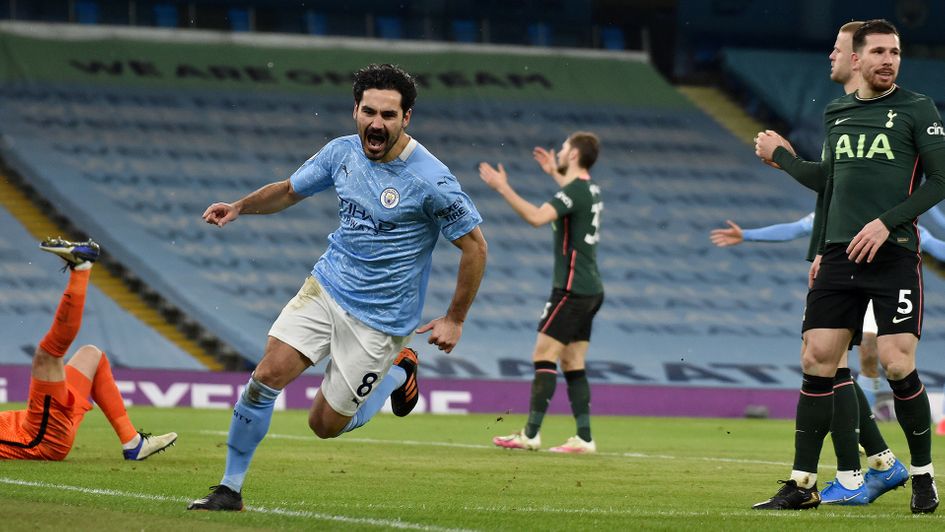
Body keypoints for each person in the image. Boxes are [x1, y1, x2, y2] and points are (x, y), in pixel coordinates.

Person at [188, 64, 487, 511]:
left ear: (407, 119)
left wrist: (455, 318)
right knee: (266, 376)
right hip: (326, 287)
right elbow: (289, 190)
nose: (376, 123)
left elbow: (476, 248)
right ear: (355, 110)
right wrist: (239, 207)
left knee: (323, 424)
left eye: (388, 115)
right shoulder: (341, 153)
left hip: (381, 320)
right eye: (369, 112)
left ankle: (399, 372)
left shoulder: (431, 180)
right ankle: (229, 488)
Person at [752, 19, 945, 514]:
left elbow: (941, 178)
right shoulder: (837, 112)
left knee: (897, 361)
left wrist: (887, 222)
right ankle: (800, 483)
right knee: (817, 358)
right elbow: (830, 185)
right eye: (879, 51)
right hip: (839, 254)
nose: (888, 59)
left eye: (895, 52)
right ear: (859, 57)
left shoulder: (916, 108)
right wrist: (786, 162)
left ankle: (923, 476)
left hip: (895, 252)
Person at [712, 214, 945, 411]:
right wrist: (747, 235)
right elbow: (794, 229)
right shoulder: (836, 212)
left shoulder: (897, 222)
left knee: (870, 356)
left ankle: (867, 419)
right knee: (829, 358)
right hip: (842, 291)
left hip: (882, 292)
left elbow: (935, 247)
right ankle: (856, 426)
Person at [480, 132, 604, 454]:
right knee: (573, 360)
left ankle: (530, 434)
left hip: (571, 289)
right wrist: (553, 172)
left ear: (574, 155)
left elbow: (536, 217)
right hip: (591, 289)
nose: (559, 152)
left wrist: (502, 188)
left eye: (563, 148)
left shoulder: (575, 191)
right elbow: (571, 194)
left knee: (543, 356)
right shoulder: (589, 189)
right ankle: (585, 438)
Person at [1, 238, 178, 461]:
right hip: (39, 438)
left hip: (38, 422)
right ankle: (81, 268)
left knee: (91, 354)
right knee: (48, 355)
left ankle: (133, 442)